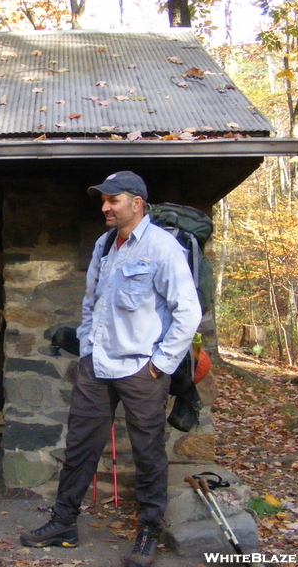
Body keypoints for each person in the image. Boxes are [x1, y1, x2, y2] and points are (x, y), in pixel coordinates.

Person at [20, 171, 202, 567]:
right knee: (80, 448)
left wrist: (160, 365)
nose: (104, 206)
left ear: (136, 204)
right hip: (97, 366)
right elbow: (92, 303)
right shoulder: (104, 245)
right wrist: (87, 348)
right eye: (103, 200)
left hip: (142, 370)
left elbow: (187, 313)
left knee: (148, 453)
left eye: (113, 200)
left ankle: (148, 533)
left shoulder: (162, 247)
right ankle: (63, 524)